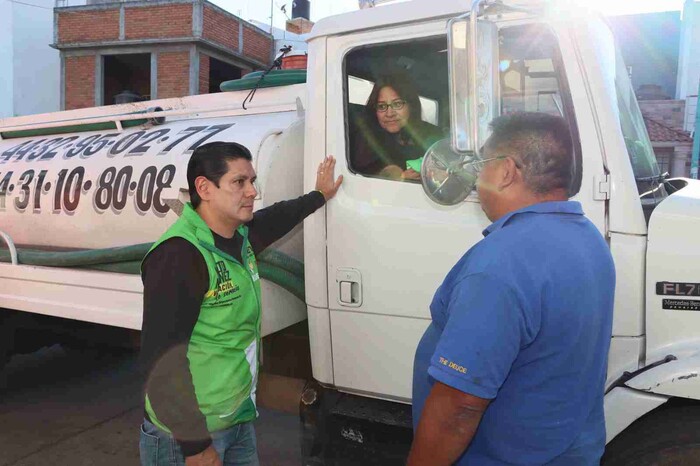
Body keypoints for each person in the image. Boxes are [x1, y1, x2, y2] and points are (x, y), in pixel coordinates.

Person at [408, 112, 616, 466]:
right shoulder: (589, 240)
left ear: (506, 171)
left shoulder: (501, 264)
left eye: (483, 165)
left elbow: (459, 407)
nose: (476, 180)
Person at [138, 142, 342, 466]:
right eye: (239, 182)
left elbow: (278, 216)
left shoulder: (240, 236)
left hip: (236, 421)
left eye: (252, 181)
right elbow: (161, 361)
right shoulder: (179, 256)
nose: (252, 192)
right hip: (188, 437)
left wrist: (319, 195)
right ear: (204, 188)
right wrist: (196, 447)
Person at [352, 73, 443, 181]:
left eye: (397, 104)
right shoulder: (366, 143)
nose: (389, 113)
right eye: (381, 106)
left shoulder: (432, 136)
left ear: (411, 105)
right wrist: (401, 179)